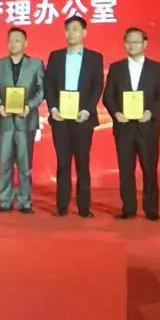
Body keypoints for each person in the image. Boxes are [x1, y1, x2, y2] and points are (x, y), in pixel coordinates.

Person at [103, 27, 160, 221]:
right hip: (124, 127)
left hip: (147, 127)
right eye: (129, 42)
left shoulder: (156, 68)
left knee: (149, 170)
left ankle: (151, 210)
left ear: (144, 44)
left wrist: (151, 112)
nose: (132, 45)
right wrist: (116, 113)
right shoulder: (116, 68)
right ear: (124, 44)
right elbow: (108, 96)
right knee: (126, 171)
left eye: (136, 42)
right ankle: (128, 208)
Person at [44, 15, 104, 217]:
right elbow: (48, 84)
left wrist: (87, 110)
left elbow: (97, 86)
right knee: (63, 163)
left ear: (84, 33)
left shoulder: (94, 58)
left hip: (83, 118)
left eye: (76, 29)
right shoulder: (56, 56)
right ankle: (62, 206)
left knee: (82, 163)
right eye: (68, 29)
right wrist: (53, 108)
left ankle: (84, 207)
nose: (72, 33)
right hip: (60, 117)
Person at [0, 27, 45, 214]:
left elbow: (41, 90)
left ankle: (25, 201)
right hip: (5, 121)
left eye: (17, 40)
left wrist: (30, 106)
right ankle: (4, 200)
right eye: (10, 40)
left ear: (25, 43)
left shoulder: (36, 64)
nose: (13, 44)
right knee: (4, 163)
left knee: (25, 165)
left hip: (26, 121)